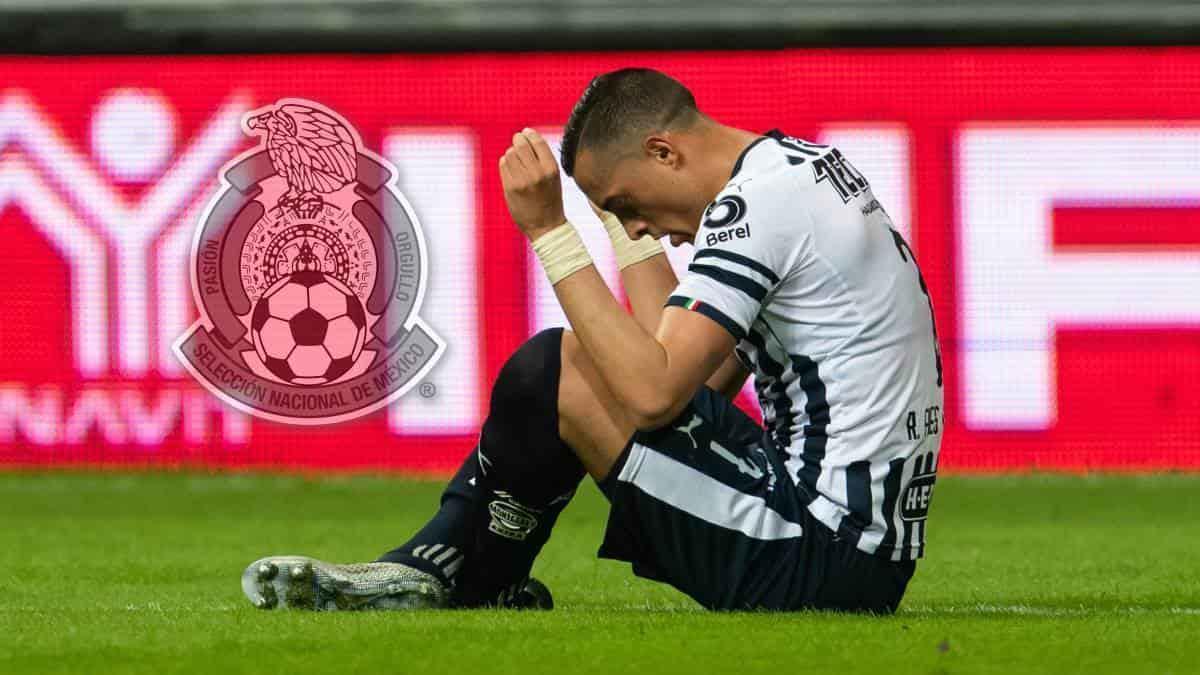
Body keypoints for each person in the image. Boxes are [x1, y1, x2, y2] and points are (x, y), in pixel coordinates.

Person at [241, 67, 944, 613]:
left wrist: (551, 231)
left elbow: (651, 393)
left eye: (627, 206)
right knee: (582, 368)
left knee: (553, 365)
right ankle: (473, 571)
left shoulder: (756, 207)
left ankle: (454, 569)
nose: (637, 230)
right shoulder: (793, 172)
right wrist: (608, 220)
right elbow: (686, 379)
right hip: (858, 553)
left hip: (815, 555)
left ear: (663, 151)